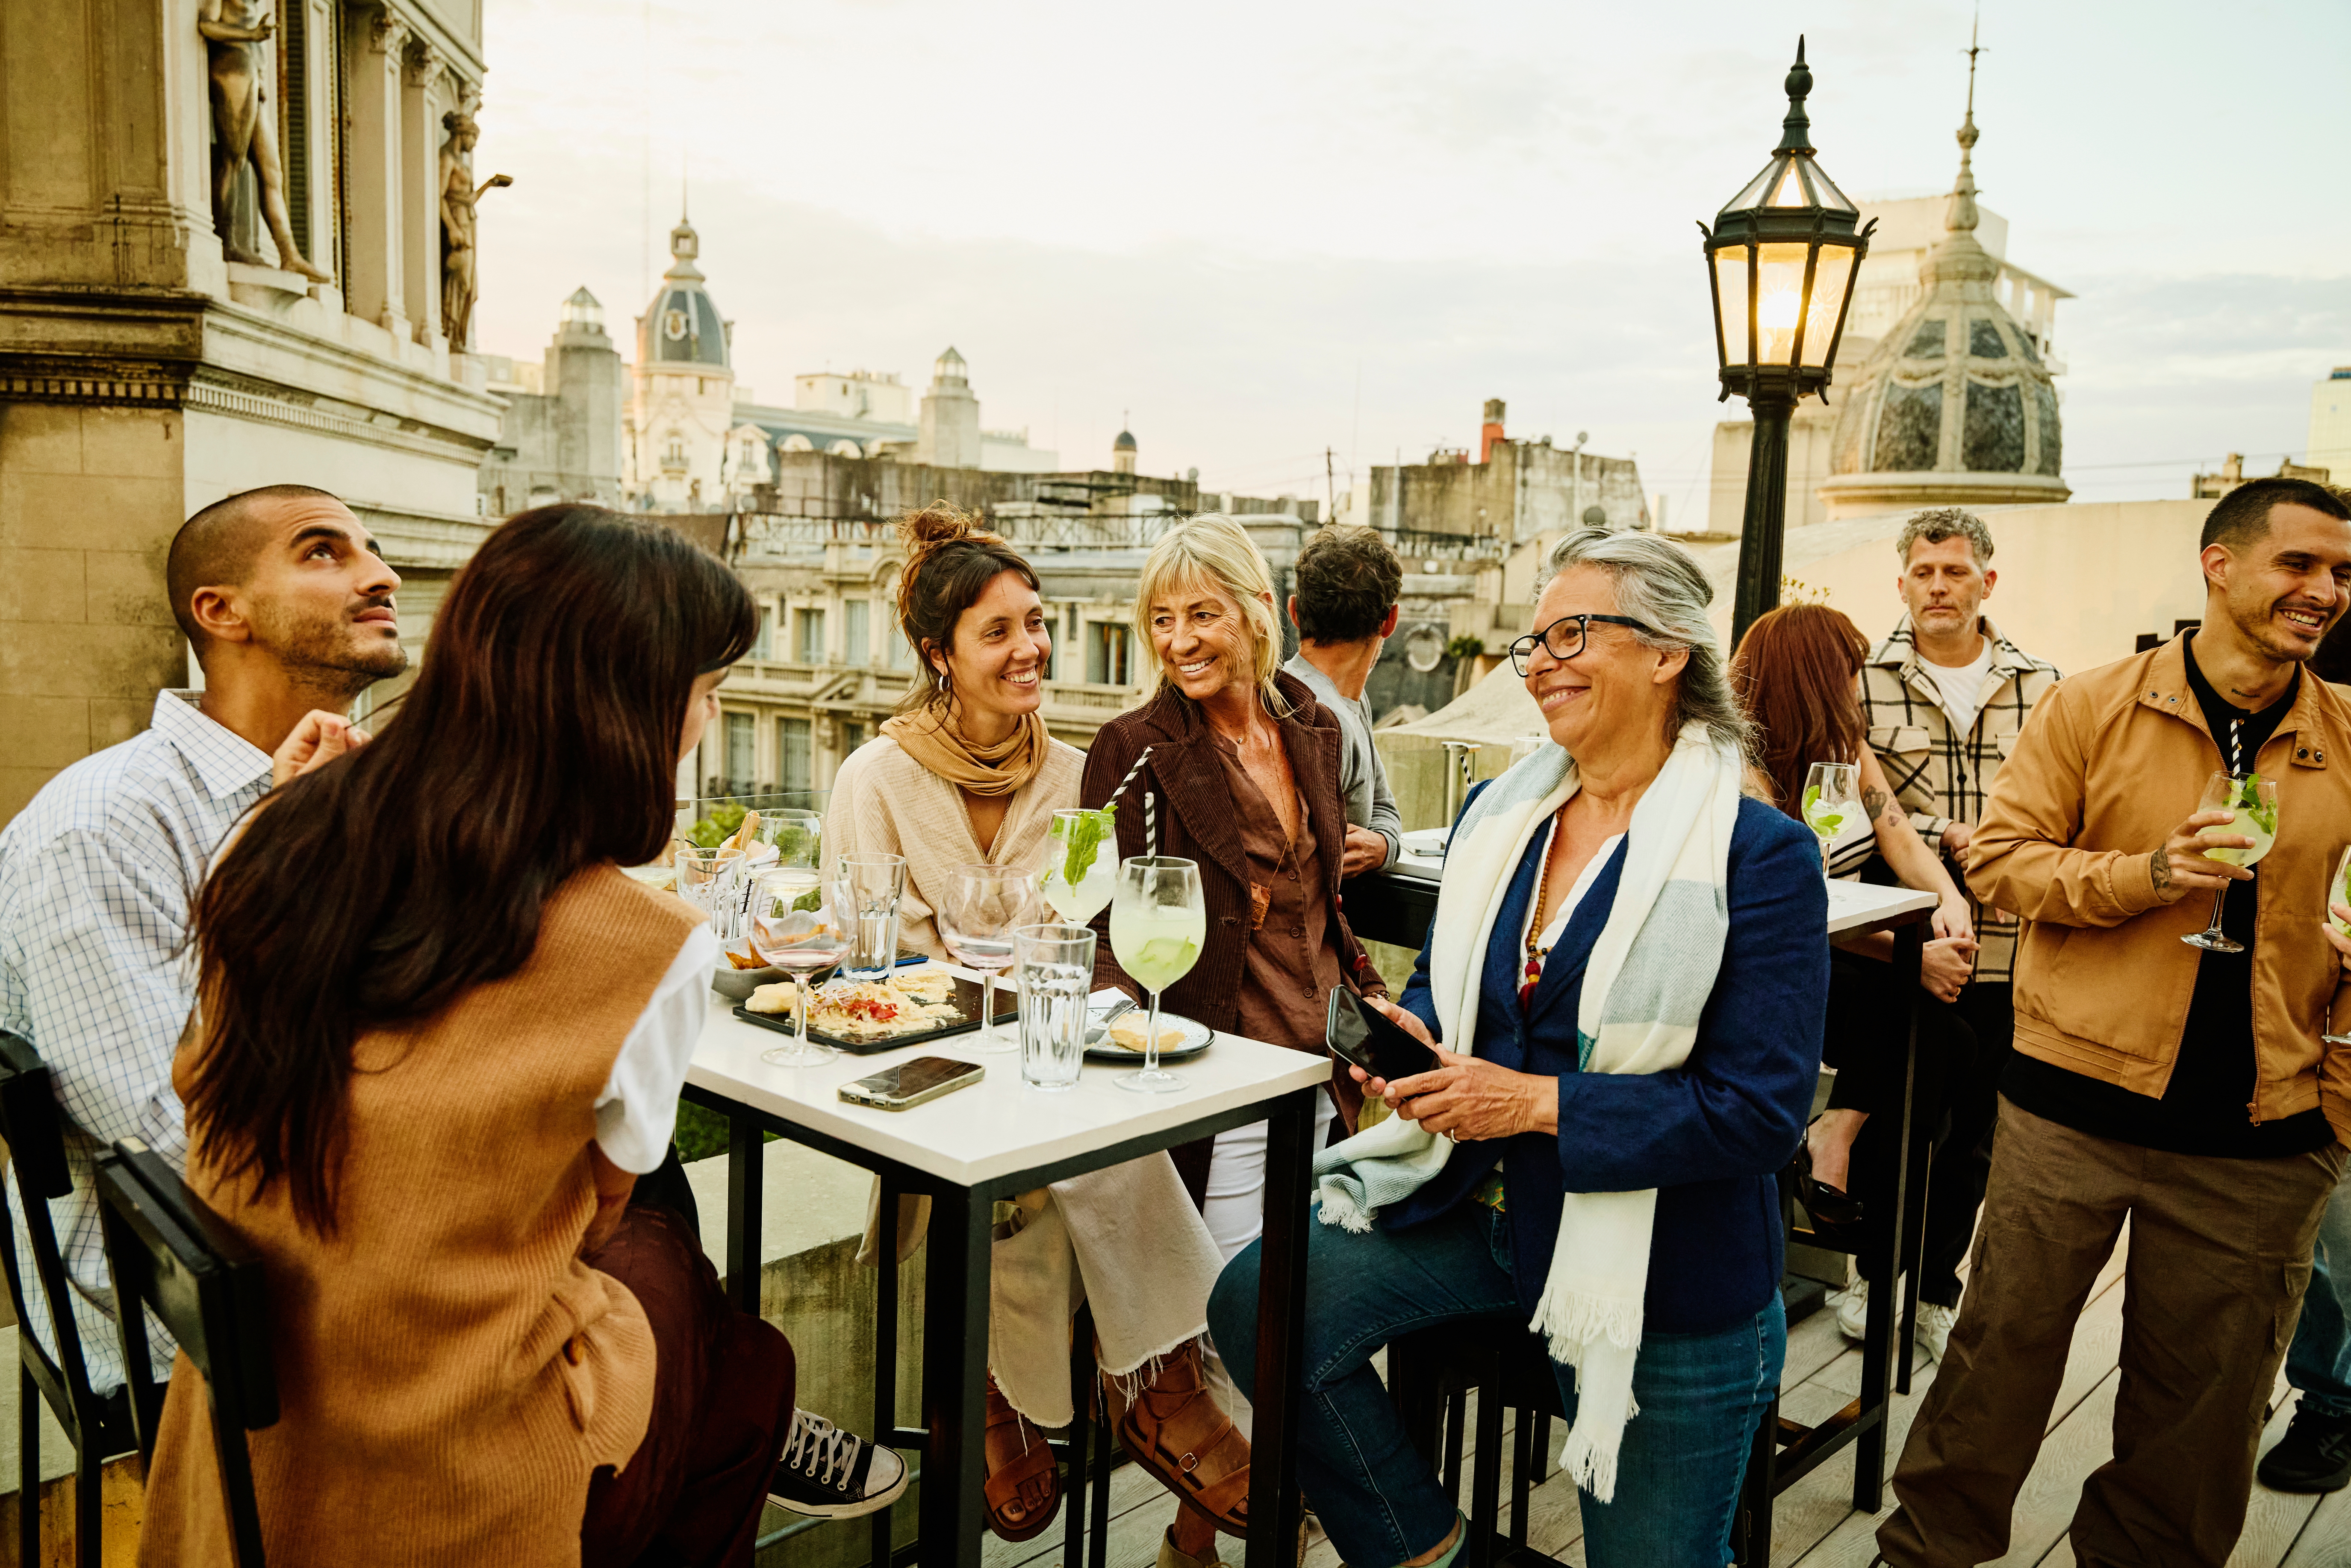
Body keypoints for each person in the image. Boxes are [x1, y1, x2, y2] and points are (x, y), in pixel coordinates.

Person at [137, 506, 902, 1568]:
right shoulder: (647, 943)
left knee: (726, 1361)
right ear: (631, 707)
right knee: (722, 1333)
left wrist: (292, 816)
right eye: (705, 689)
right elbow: (593, 1220)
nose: (708, 717)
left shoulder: (273, 841)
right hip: (451, 1479)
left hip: (240, 1459)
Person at [1206, 527, 1824, 1568]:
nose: (1537, 662)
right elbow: (1444, 985)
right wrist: (1412, 1035)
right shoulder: (1502, 815)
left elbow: (1758, 1115)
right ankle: (1433, 1553)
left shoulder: (1758, 855)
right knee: (1258, 1303)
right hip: (1478, 1205)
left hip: (1663, 1270)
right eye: (1530, 641)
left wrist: (1532, 1102)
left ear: (1667, 652)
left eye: (1570, 633)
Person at [1877, 475, 2351, 1568]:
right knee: (1992, 1373)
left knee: (2200, 1421)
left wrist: (2329, 1105)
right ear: (2217, 565)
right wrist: (2148, 874)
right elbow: (2000, 864)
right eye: (2298, 564)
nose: (2324, 591)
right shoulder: (2089, 704)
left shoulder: (2345, 733)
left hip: (2263, 1136)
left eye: (2339, 573)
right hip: (2069, 1109)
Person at [827, 506, 1246, 1562]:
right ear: (939, 654)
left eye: (1037, 622)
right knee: (1074, 1140)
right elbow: (872, 962)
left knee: (1070, 1126)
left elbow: (1080, 934)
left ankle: (1010, 1380)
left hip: (1041, 1058)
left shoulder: (1078, 775)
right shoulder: (873, 778)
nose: (1031, 648)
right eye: (998, 631)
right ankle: (1151, 1377)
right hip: (922, 1070)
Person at [0, 484, 397, 1405]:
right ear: (221, 611)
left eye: (373, 548)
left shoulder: (354, 789)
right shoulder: (102, 827)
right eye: (324, 550)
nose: (381, 575)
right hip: (189, 1304)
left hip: (305, 1218)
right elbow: (163, 1141)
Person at [1729, 602, 1977, 1361]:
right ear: (1811, 675)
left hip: (1847, 950)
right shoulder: (1738, 763)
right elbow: (1786, 908)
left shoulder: (1845, 746)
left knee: (1953, 1059)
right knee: (1940, 1041)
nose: (1854, 684)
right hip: (1771, 965)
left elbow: (1898, 835)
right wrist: (1907, 953)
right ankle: (1868, 1228)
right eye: (1846, 670)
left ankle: (1848, 1166)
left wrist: (1949, 902)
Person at [1848, 508, 2059, 1357]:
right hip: (1910, 950)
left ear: (1987, 581)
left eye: (1956, 571)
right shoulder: (1862, 682)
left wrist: (2016, 856)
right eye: (1924, 572)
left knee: (1975, 1137)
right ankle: (1872, 1275)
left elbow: (2066, 803)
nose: (1939, 586)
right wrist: (1948, 836)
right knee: (1898, 1121)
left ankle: (1936, 1288)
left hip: (2010, 952)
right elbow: (1853, 814)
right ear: (1901, 582)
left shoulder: (2045, 685)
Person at [1283, 524, 1406, 876]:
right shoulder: (1316, 716)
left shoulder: (1352, 701)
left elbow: (1383, 806)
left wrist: (1382, 846)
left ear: (1294, 612)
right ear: (1390, 621)